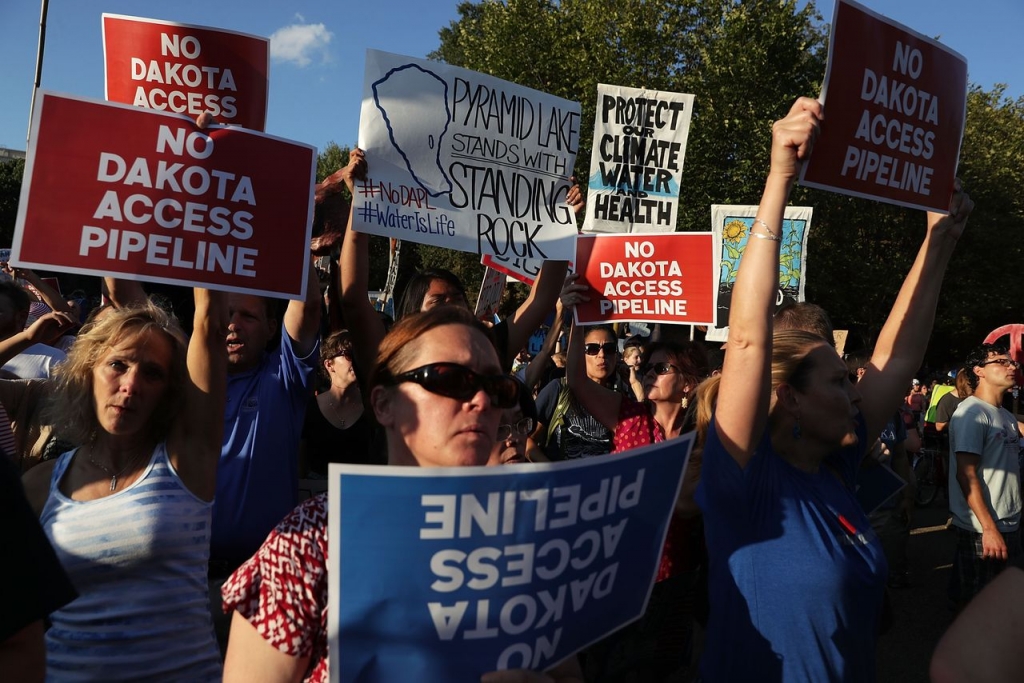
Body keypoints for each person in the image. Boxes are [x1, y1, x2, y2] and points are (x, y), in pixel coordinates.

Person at [693, 96, 973, 681]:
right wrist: (779, 177)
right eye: (840, 381)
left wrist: (939, 239)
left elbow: (897, 362)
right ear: (789, 397)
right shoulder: (743, 478)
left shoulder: (836, 469)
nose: (856, 391)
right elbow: (746, 341)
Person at [220, 306, 582, 683]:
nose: (482, 400)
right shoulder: (311, 541)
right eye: (451, 379)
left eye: (497, 388)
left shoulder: (530, 543)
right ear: (383, 404)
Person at [21, 290, 228, 680]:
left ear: (170, 391)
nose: (131, 385)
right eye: (118, 364)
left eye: (152, 373)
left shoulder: (187, 464)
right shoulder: (39, 484)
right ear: (87, 371)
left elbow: (209, 326)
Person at [339, 149, 580, 377]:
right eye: (437, 301)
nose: (452, 307)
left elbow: (541, 299)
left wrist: (559, 221)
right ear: (411, 315)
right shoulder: (392, 359)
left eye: (457, 299)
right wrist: (360, 203)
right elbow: (353, 301)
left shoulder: (488, 348)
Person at [947, 343, 1022, 607]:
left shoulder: (1004, 416)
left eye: (1012, 362)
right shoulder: (972, 413)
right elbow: (965, 475)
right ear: (979, 370)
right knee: (980, 610)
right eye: (1001, 362)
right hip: (983, 530)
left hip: (1009, 523)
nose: (1011, 366)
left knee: (1003, 606)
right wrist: (988, 529)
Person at [535, 321, 630, 460]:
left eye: (609, 348)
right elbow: (527, 440)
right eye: (592, 349)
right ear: (579, 354)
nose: (602, 355)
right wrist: (552, 473)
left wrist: (633, 383)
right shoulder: (558, 389)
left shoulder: (621, 401)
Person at [299, 329, 379, 476]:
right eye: (348, 355)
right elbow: (300, 466)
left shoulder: (373, 407)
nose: (356, 360)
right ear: (329, 365)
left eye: (358, 354)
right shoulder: (309, 409)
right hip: (319, 495)